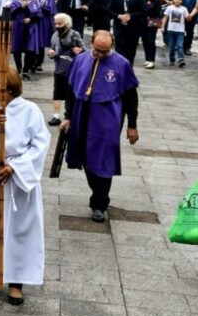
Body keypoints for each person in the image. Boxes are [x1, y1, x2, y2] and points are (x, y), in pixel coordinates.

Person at [0, 68, 49, 305]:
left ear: (10, 85)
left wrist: (16, 166)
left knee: (19, 230)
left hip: (18, 179)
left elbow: (40, 144)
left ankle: (16, 281)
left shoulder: (30, 110)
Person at [60, 31, 140, 223]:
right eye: (97, 50)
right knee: (85, 156)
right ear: (91, 44)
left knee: (103, 158)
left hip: (107, 117)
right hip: (81, 113)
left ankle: (99, 203)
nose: (100, 55)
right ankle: (98, 193)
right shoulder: (80, 60)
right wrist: (67, 116)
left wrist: (132, 125)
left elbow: (131, 97)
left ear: (112, 46)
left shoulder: (121, 63)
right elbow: (71, 90)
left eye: (105, 51)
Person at [47, 13, 84, 126]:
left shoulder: (74, 34)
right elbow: (53, 49)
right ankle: (56, 116)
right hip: (59, 68)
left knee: (70, 93)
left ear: (66, 24)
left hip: (72, 69)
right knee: (57, 92)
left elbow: (83, 49)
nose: (57, 26)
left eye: (60, 23)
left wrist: (79, 50)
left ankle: (69, 115)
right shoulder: (54, 35)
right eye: (56, 23)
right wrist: (51, 53)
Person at [9, 0, 42, 79]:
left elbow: (39, 15)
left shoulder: (33, 2)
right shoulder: (15, 2)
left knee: (29, 50)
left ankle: (26, 70)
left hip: (30, 29)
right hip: (18, 28)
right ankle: (19, 69)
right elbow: (11, 14)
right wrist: (21, 7)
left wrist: (31, 19)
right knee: (17, 50)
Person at [136, 0, 162, 69]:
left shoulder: (157, 1)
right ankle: (147, 58)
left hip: (153, 22)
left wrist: (148, 6)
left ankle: (152, 60)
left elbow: (154, 10)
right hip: (143, 23)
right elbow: (142, 10)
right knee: (145, 41)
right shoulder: (143, 0)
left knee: (151, 41)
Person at [163, 0, 188, 67]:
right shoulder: (170, 8)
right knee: (171, 47)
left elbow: (187, 18)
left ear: (182, 1)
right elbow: (165, 18)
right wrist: (163, 27)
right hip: (170, 30)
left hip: (180, 31)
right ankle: (172, 59)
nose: (177, 0)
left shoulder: (184, 9)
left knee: (180, 46)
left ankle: (180, 59)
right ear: (173, 0)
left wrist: (190, 16)